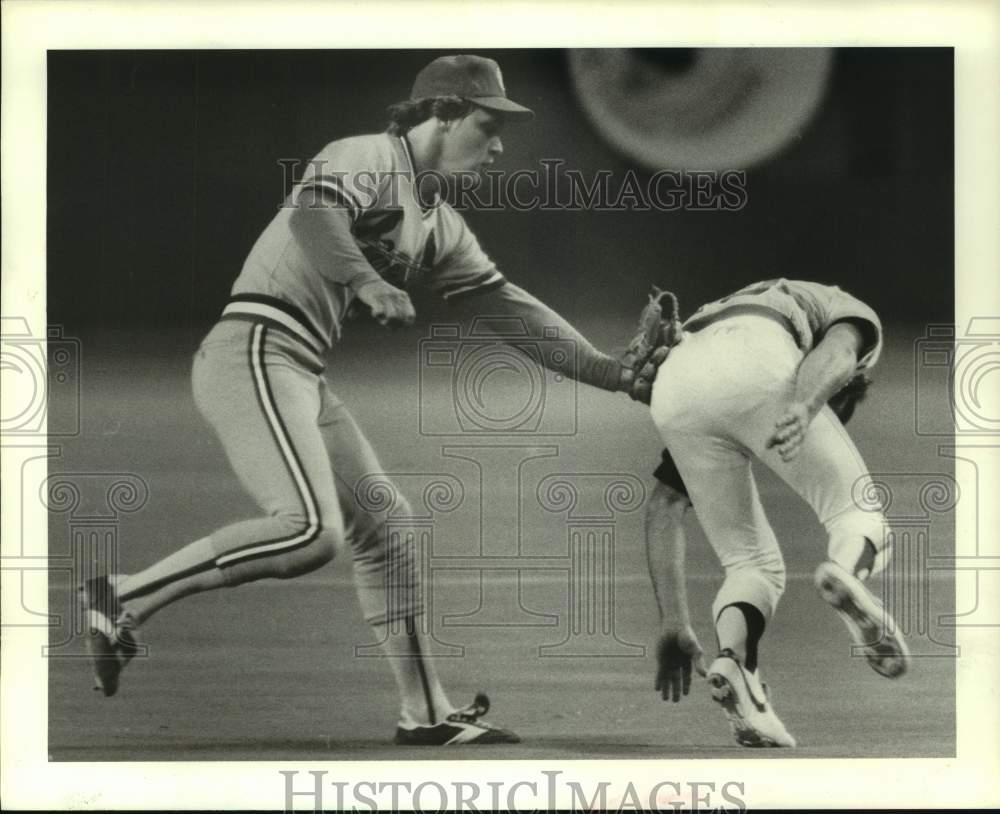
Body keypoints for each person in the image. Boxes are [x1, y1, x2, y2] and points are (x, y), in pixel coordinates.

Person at [81, 55, 640, 746]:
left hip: (297, 369)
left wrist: (612, 373)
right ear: (442, 113)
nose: (499, 144)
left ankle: (427, 714)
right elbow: (313, 217)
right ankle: (123, 597)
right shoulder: (367, 156)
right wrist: (368, 283)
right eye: (489, 123)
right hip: (253, 349)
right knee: (310, 531)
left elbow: (508, 309)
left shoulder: (436, 221)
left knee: (386, 528)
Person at [642, 278, 910, 748]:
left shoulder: (741, 305)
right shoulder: (843, 307)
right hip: (757, 359)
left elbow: (664, 505)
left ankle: (733, 663)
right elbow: (839, 354)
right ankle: (847, 572)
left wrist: (673, 622)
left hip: (677, 382)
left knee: (751, 564)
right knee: (859, 512)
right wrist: (807, 405)